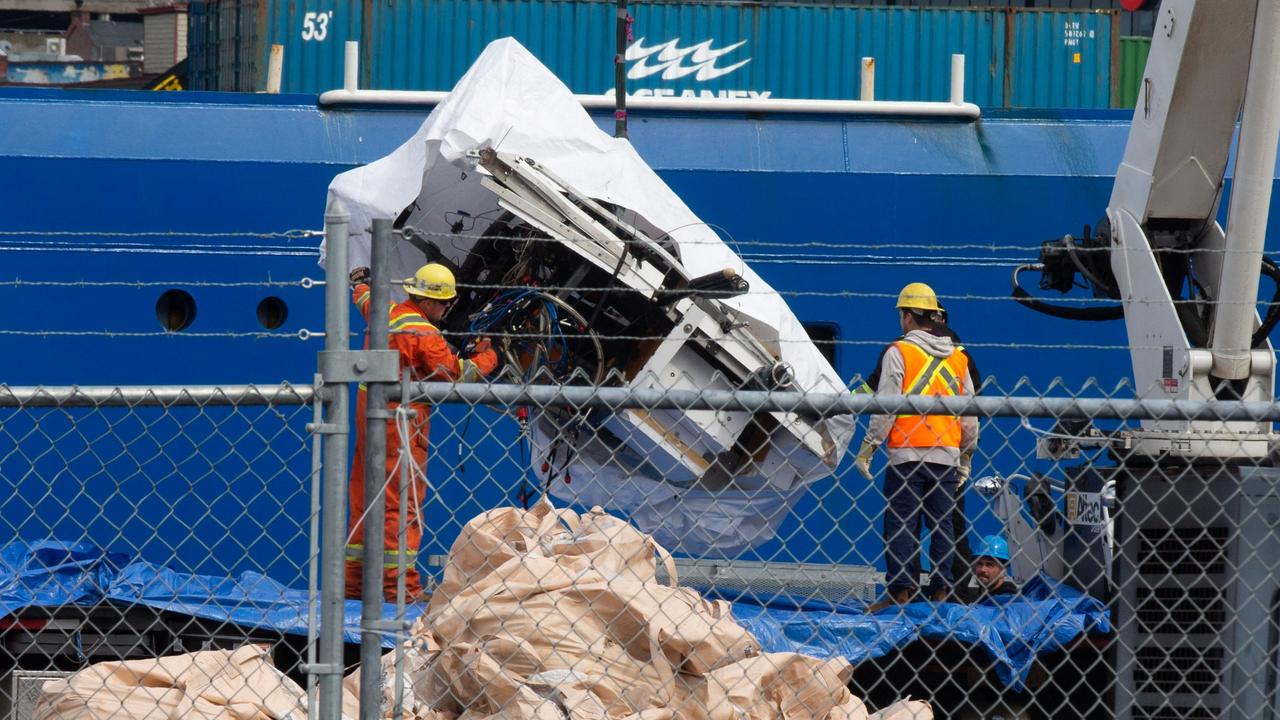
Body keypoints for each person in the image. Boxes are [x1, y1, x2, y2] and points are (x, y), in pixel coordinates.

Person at [345, 262, 499, 602]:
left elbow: (364, 297)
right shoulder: (424, 333)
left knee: (363, 502)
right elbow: (457, 375)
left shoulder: (386, 310)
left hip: (367, 415)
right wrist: (489, 355)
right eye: (444, 303)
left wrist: (359, 283)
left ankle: (352, 588)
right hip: (400, 423)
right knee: (402, 506)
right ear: (429, 301)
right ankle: (401, 589)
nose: (447, 309)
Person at [857, 282, 979, 611]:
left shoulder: (899, 351)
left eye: (902, 314)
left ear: (909, 317)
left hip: (907, 455)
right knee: (942, 526)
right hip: (946, 457)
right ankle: (941, 593)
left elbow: (887, 405)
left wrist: (869, 446)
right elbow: (969, 412)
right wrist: (967, 454)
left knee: (900, 523)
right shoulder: (958, 357)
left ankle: (900, 592)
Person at [962, 535, 1018, 601]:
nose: (983, 569)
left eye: (989, 565)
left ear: (1003, 570)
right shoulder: (975, 591)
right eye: (979, 564)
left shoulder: (1008, 598)